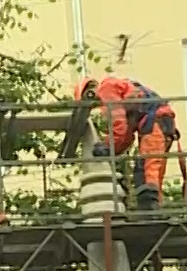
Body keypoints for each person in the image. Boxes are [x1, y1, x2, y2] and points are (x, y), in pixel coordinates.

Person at [76, 75, 179, 210]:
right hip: (159, 125)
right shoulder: (126, 97)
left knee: (148, 170)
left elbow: (118, 124)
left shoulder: (107, 88)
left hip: (155, 124)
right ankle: (153, 209)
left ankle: (150, 210)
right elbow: (126, 136)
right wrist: (112, 149)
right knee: (149, 169)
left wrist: (107, 146)